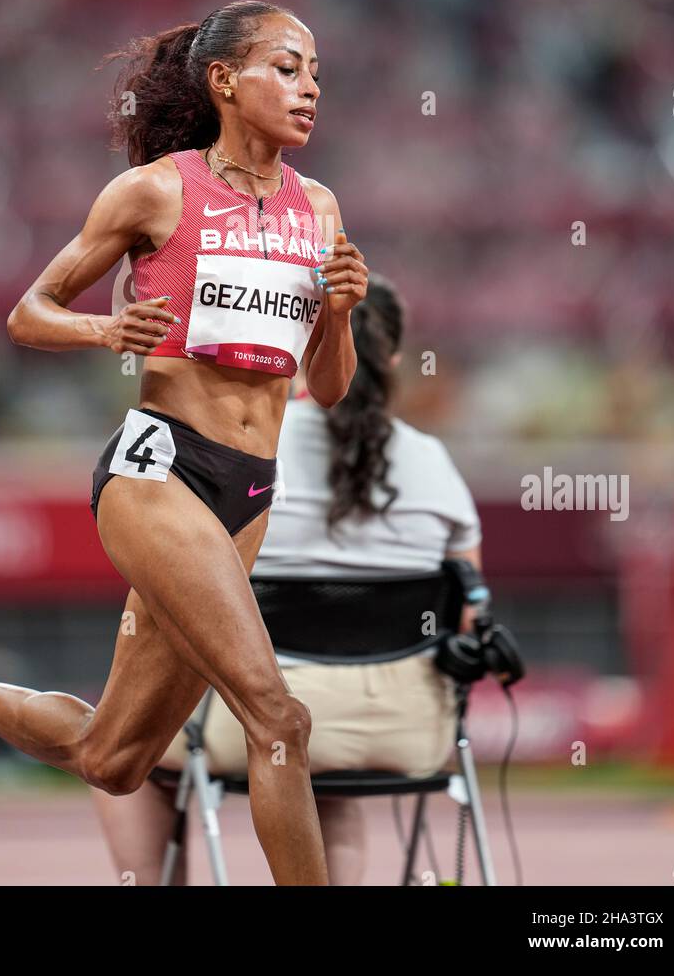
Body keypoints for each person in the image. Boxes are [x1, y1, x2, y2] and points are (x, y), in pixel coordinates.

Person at [0, 0, 369, 888]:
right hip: (159, 471)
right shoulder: (158, 190)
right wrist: (107, 332)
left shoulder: (318, 210)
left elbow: (326, 387)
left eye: (315, 72)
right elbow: (29, 310)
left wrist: (342, 316)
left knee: (112, 757)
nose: (309, 87)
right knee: (277, 719)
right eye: (285, 68)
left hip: (250, 489)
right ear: (223, 82)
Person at [92, 273, 483, 885]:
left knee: (116, 738)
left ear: (296, 339)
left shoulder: (244, 458)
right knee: (329, 769)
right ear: (397, 359)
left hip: (242, 728)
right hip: (409, 732)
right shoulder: (435, 464)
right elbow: (471, 620)